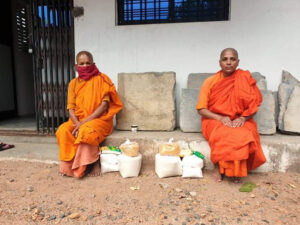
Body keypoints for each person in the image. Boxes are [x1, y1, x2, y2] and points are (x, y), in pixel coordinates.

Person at [196, 48, 266, 183]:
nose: (229, 62)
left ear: (238, 62)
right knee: (222, 133)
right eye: (225, 59)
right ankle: (218, 167)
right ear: (220, 62)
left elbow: (253, 107)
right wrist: (220, 118)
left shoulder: (245, 79)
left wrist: (243, 118)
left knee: (243, 134)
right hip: (214, 118)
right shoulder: (210, 81)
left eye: (232, 59)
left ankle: (236, 170)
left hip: (239, 118)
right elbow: (201, 109)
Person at [56, 51, 123, 178]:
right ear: (76, 66)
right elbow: (70, 107)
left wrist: (82, 124)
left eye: (88, 63)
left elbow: (104, 105)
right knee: (63, 130)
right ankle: (68, 167)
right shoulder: (73, 84)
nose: (85, 66)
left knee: (86, 131)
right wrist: (77, 123)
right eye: (82, 64)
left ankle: (93, 162)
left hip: (99, 119)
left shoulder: (102, 79)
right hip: (77, 120)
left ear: (93, 63)